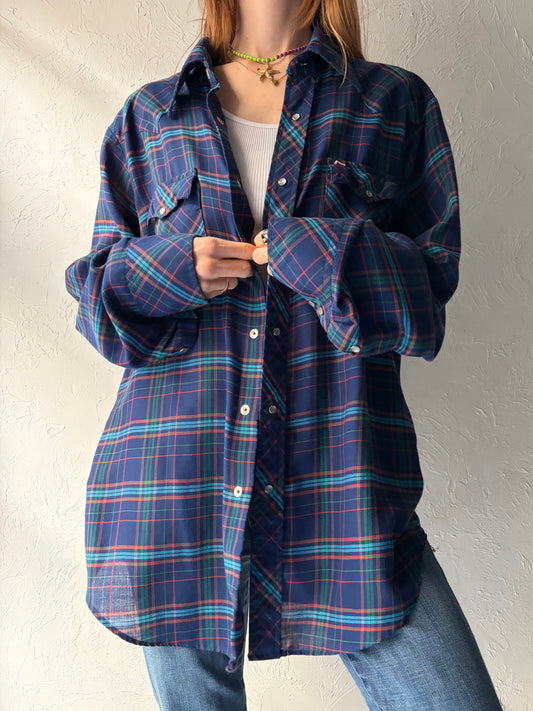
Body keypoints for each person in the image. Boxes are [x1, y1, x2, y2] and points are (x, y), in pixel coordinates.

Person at [65, 1, 504, 709]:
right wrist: (174, 268)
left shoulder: (392, 102)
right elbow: (99, 305)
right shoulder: (150, 115)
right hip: (172, 485)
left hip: (344, 485)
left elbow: (425, 301)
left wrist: (321, 252)